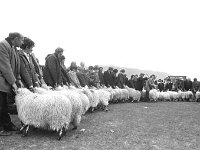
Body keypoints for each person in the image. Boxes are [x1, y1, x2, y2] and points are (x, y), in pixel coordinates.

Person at [0, 32, 24, 136]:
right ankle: (1, 128)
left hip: (6, 81)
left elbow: (16, 65)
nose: (22, 42)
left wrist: (18, 79)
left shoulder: (13, 47)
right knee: (0, 105)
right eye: (22, 40)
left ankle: (7, 124)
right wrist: (13, 82)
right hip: (1, 80)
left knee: (4, 104)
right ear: (16, 39)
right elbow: (5, 65)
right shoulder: (3, 45)